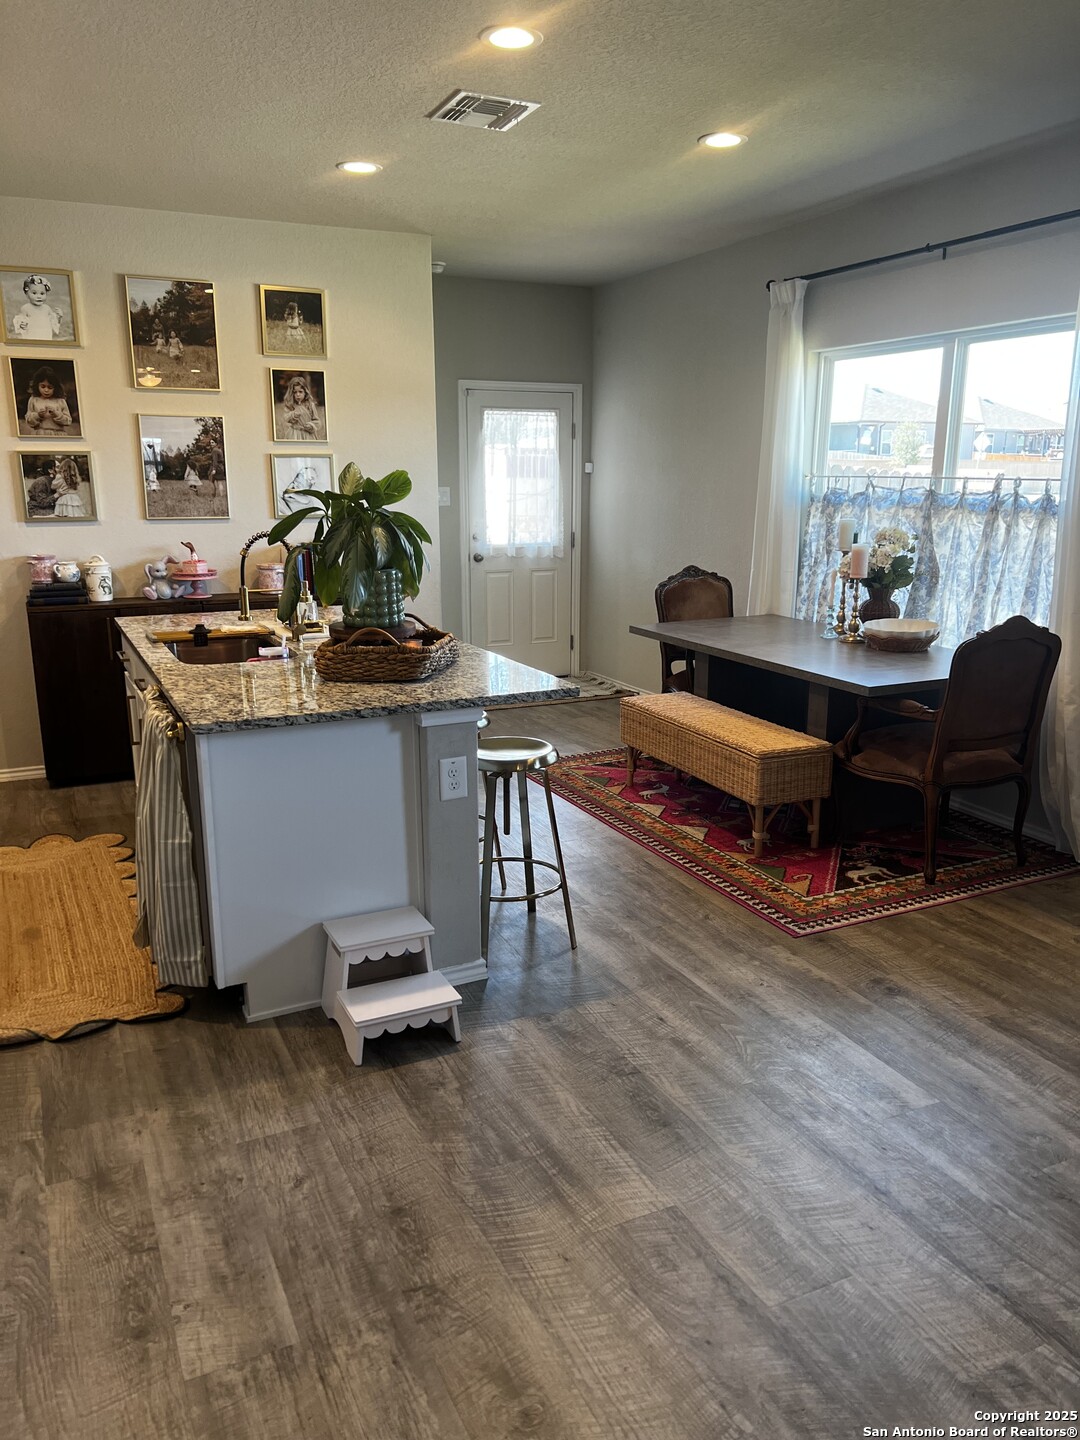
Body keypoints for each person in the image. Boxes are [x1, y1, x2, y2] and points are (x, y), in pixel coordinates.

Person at [11, 274, 64, 340]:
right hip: (31, 335)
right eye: (34, 293)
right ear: (27, 294)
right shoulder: (26, 308)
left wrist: (59, 317)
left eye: (42, 293)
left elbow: (54, 323)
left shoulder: (47, 308)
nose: (39, 296)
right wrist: (22, 325)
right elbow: (21, 321)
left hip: (45, 335)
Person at [23, 366, 73, 436]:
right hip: (40, 434)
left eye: (50, 387)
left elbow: (68, 421)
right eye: (43, 386)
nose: (46, 390)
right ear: (37, 386)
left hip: (58, 434)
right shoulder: (34, 400)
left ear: (55, 388)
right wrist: (38, 415)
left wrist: (57, 414)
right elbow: (29, 420)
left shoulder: (60, 401)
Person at [280, 374, 320, 441]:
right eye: (295, 392)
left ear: (305, 392)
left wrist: (311, 425)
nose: (298, 395)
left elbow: (317, 421)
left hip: (308, 434)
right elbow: (286, 417)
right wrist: (293, 414)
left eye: (300, 392)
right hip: (294, 433)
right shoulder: (291, 405)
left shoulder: (310, 405)